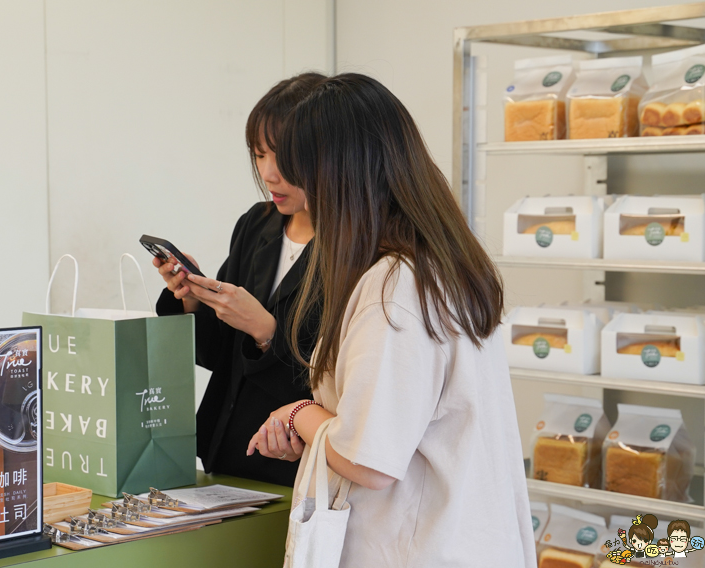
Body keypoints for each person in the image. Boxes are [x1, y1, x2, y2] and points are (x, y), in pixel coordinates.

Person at [246, 74, 535, 566]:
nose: (281, 179)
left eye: (297, 166)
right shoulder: (436, 265)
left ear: (342, 172)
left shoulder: (395, 287)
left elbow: (368, 459)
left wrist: (300, 415)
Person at [152, 72, 325, 487]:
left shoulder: (357, 253)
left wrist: (266, 331)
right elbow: (220, 354)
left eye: (283, 157)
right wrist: (192, 298)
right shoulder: (258, 224)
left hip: (295, 467)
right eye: (259, 155)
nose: (269, 173)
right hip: (225, 452)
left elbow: (337, 389)